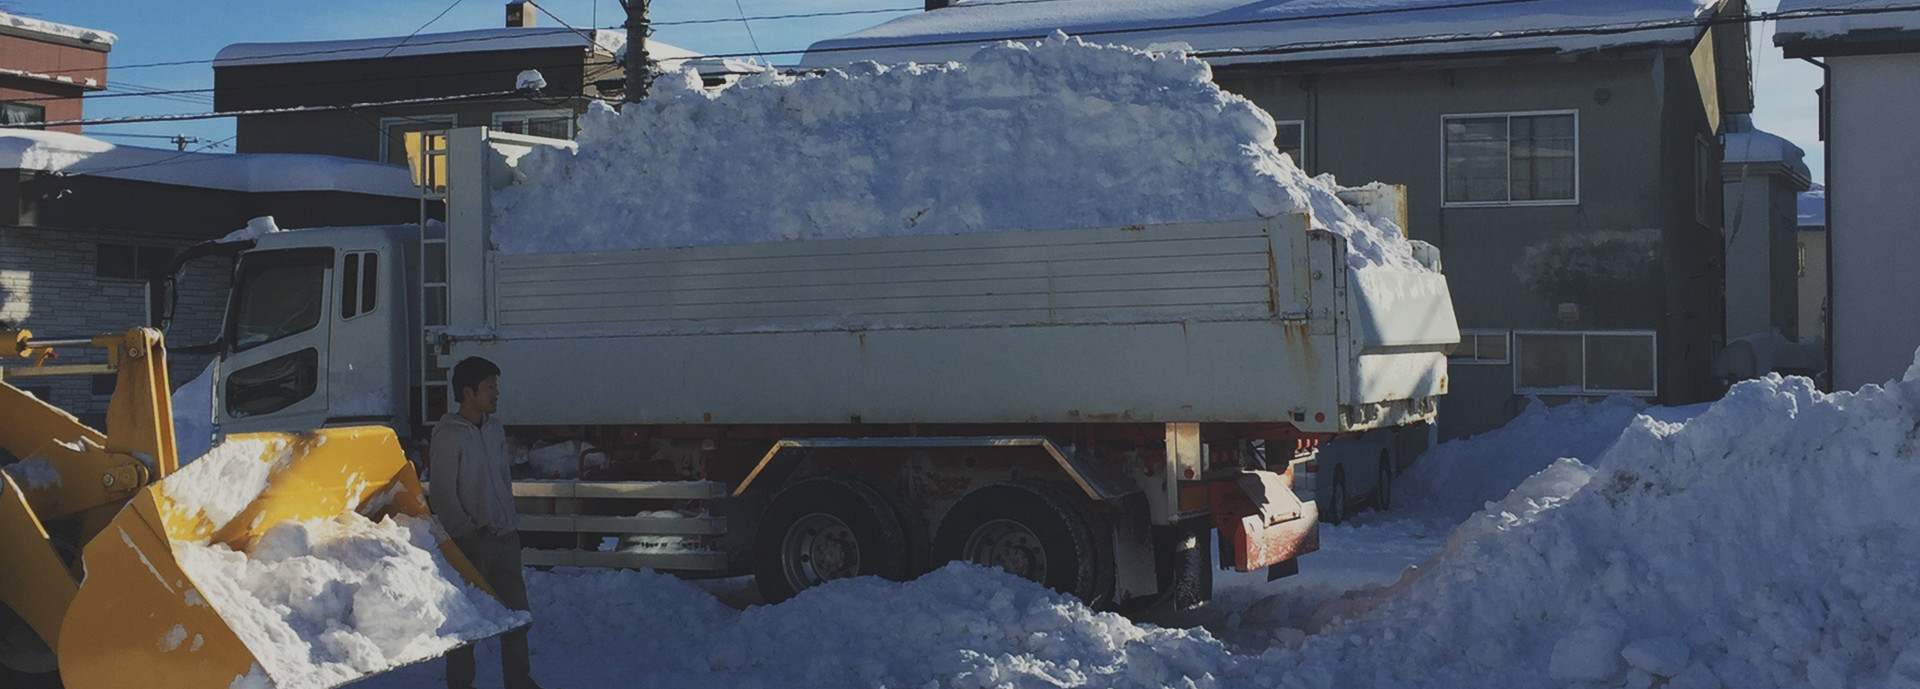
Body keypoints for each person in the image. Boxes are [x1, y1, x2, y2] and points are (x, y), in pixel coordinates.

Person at [429, 356, 545, 689]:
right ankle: (461, 684)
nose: (496, 393)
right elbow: (442, 494)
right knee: (468, 624)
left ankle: (519, 680)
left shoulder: (494, 428)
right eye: (489, 386)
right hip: (472, 543)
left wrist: (509, 521)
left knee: (518, 615)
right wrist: (468, 532)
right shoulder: (449, 435)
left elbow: (503, 480)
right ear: (468, 392)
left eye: (496, 385)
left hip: (505, 537)